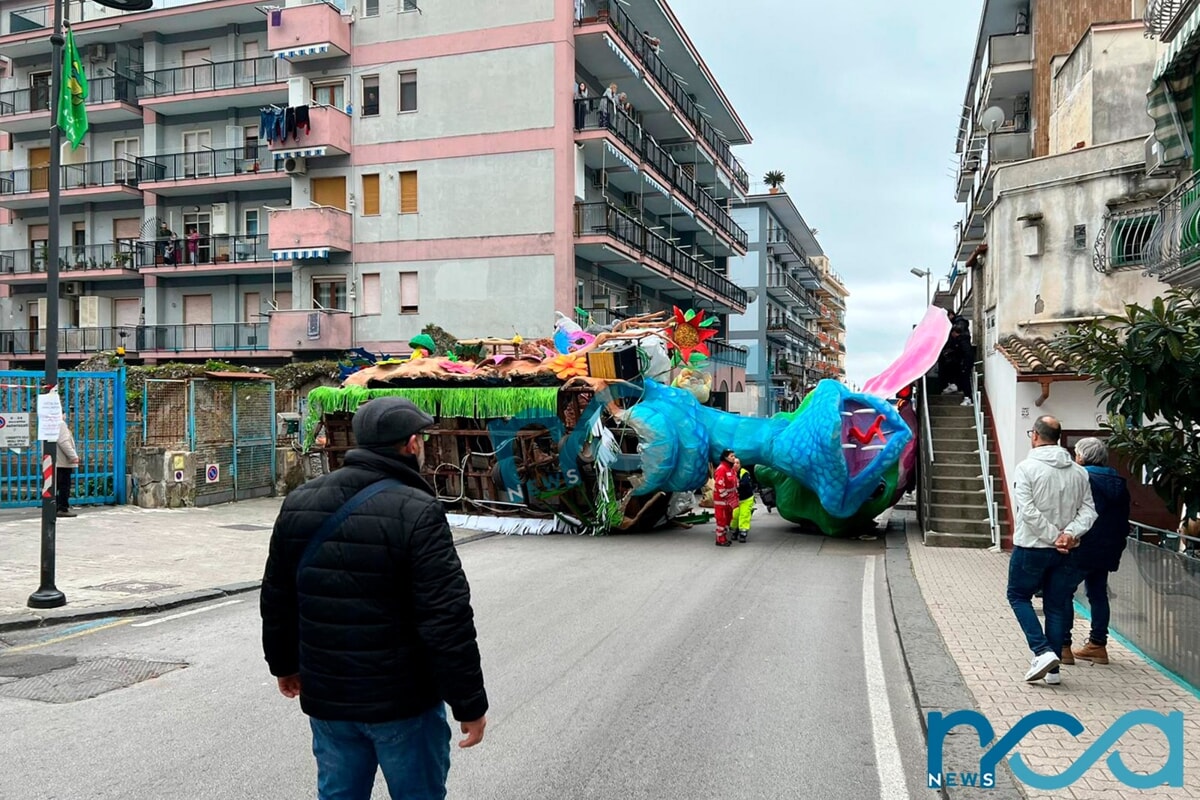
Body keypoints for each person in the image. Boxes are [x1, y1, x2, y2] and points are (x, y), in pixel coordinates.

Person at [261, 396, 488, 800]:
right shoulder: (418, 510)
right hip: (403, 704)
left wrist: (284, 665)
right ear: (411, 444)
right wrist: (468, 703)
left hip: (329, 700)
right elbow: (446, 617)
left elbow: (278, 596)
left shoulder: (299, 501)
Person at [1008, 416, 1098, 685]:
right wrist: (1069, 535)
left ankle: (1042, 651)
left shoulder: (1026, 468)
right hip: (1067, 551)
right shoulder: (1079, 471)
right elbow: (1089, 510)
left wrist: (1053, 536)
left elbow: (1028, 510)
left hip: (1032, 547)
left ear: (1035, 435)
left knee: (1018, 595)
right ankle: (1054, 672)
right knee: (1057, 606)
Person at [1062, 437, 1130, 667]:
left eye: (1077, 453)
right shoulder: (1119, 482)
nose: (1075, 457)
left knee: (1063, 593)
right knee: (1098, 594)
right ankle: (1098, 645)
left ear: (1082, 456)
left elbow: (1075, 510)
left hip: (1083, 545)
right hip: (1109, 548)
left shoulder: (1083, 477)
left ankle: (1063, 647)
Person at [712, 449, 738, 547]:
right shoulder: (721, 468)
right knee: (721, 520)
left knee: (728, 518)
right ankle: (720, 539)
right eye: (732, 456)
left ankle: (724, 537)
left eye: (734, 456)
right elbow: (719, 485)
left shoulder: (730, 468)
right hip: (722, 500)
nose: (733, 458)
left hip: (729, 500)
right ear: (726, 457)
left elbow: (734, 482)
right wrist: (725, 496)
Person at [55, 416, 79, 518]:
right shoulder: (60, 424)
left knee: (55, 485)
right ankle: (62, 508)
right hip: (62, 461)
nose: (66, 415)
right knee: (64, 485)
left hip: (54, 460)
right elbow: (63, 442)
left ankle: (53, 506)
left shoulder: (48, 424)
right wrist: (73, 456)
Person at [729, 458, 755, 543]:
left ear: (740, 465)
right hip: (735, 499)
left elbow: (745, 483)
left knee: (744, 515)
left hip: (746, 499)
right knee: (735, 516)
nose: (735, 464)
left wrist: (735, 485)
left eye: (738, 463)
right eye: (734, 463)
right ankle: (734, 531)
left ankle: (743, 533)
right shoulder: (729, 473)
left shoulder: (744, 473)